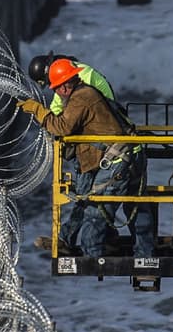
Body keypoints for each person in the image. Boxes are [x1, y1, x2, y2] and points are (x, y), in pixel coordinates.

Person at [18, 58, 155, 258]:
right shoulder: (84, 90)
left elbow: (61, 126)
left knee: (95, 211)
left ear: (65, 86)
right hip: (130, 155)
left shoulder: (81, 97)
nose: (55, 92)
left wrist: (38, 110)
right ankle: (144, 255)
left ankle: (92, 257)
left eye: (56, 88)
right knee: (136, 207)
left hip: (117, 162)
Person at [27, 52, 121, 118]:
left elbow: (68, 113)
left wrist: (41, 114)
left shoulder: (78, 75)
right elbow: (56, 107)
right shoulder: (71, 70)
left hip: (108, 121)